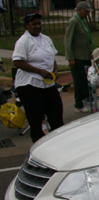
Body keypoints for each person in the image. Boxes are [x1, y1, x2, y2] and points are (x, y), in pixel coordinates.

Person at [12, 13, 64, 142]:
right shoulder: (23, 41)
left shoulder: (46, 39)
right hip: (30, 84)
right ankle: (38, 144)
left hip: (47, 83)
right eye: (34, 24)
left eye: (39, 23)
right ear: (27, 25)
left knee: (56, 113)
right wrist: (39, 71)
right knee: (35, 117)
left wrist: (55, 71)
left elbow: (52, 58)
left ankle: (59, 141)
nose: (37, 26)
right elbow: (17, 62)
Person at [64, 1, 94, 113]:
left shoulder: (83, 21)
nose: (87, 14)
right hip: (77, 57)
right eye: (86, 11)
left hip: (85, 56)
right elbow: (68, 41)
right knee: (79, 81)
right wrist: (70, 57)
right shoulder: (74, 22)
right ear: (80, 10)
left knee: (85, 80)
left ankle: (85, 100)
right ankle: (79, 103)